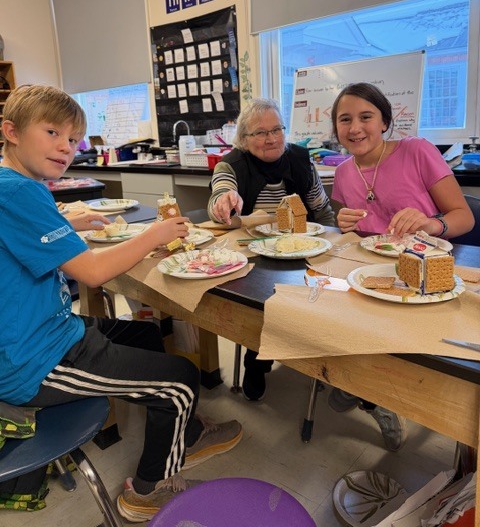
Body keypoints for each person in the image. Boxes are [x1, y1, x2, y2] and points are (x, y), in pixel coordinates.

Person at [0, 85, 243, 523]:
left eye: (73, 139)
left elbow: (24, 235)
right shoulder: (19, 192)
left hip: (50, 331)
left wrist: (69, 219)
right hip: (33, 362)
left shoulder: (13, 184)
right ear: (11, 131)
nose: (65, 147)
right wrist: (154, 235)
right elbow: (92, 273)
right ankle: (148, 490)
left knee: (147, 332)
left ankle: (181, 428)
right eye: (52, 131)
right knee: (183, 378)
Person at [329, 81, 474, 451]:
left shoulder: (417, 151)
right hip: (368, 275)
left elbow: (464, 218)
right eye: (345, 120)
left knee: (387, 339)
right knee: (329, 313)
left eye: (366, 117)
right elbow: (350, 226)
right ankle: (358, 386)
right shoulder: (344, 172)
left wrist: (432, 223)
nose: (355, 127)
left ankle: (380, 394)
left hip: (423, 273)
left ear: (385, 122)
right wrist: (342, 221)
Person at [207, 97, 335, 401]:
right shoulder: (231, 164)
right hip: (254, 254)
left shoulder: (301, 160)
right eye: (260, 133)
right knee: (260, 294)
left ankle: (315, 352)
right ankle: (257, 355)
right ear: (243, 139)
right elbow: (219, 196)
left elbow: (323, 209)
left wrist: (334, 241)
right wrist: (224, 201)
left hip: (304, 248)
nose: (271, 138)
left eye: (277, 129)